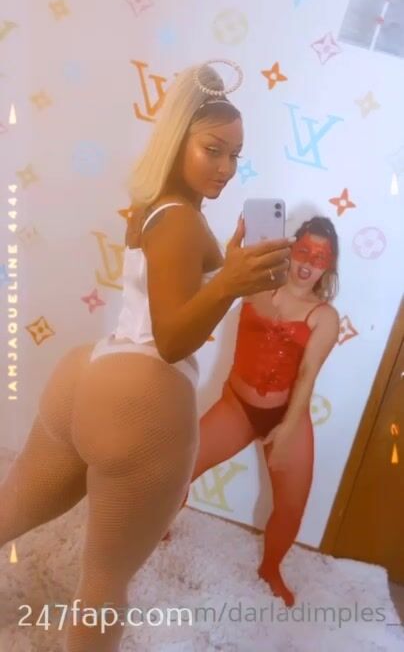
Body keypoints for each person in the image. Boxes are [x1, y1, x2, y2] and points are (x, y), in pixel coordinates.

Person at [0, 59, 294, 652]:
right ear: (178, 139)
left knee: (11, 510)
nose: (226, 168)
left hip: (89, 374)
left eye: (236, 156)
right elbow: (172, 340)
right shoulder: (181, 223)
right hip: (143, 399)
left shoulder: (157, 207)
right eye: (213, 150)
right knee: (105, 579)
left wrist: (230, 269)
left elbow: (183, 283)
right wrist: (227, 283)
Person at [164, 216, 340, 608]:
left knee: (292, 506)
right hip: (236, 407)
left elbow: (307, 375)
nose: (309, 263)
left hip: (288, 415)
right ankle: (157, 528)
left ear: (329, 266)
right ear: (290, 250)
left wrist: (287, 430)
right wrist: (235, 250)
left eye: (320, 257)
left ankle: (270, 569)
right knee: (178, 470)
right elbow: (219, 281)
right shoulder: (256, 285)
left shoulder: (324, 316)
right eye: (304, 251)